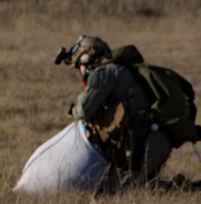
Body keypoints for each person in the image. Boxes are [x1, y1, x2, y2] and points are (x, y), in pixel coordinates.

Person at [57, 35, 173, 187]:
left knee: (122, 187)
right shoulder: (114, 71)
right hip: (149, 140)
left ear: (87, 59)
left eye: (80, 65)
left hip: (149, 141)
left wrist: (74, 110)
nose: (81, 70)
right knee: (131, 184)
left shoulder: (103, 73)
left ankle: (191, 189)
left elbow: (84, 109)